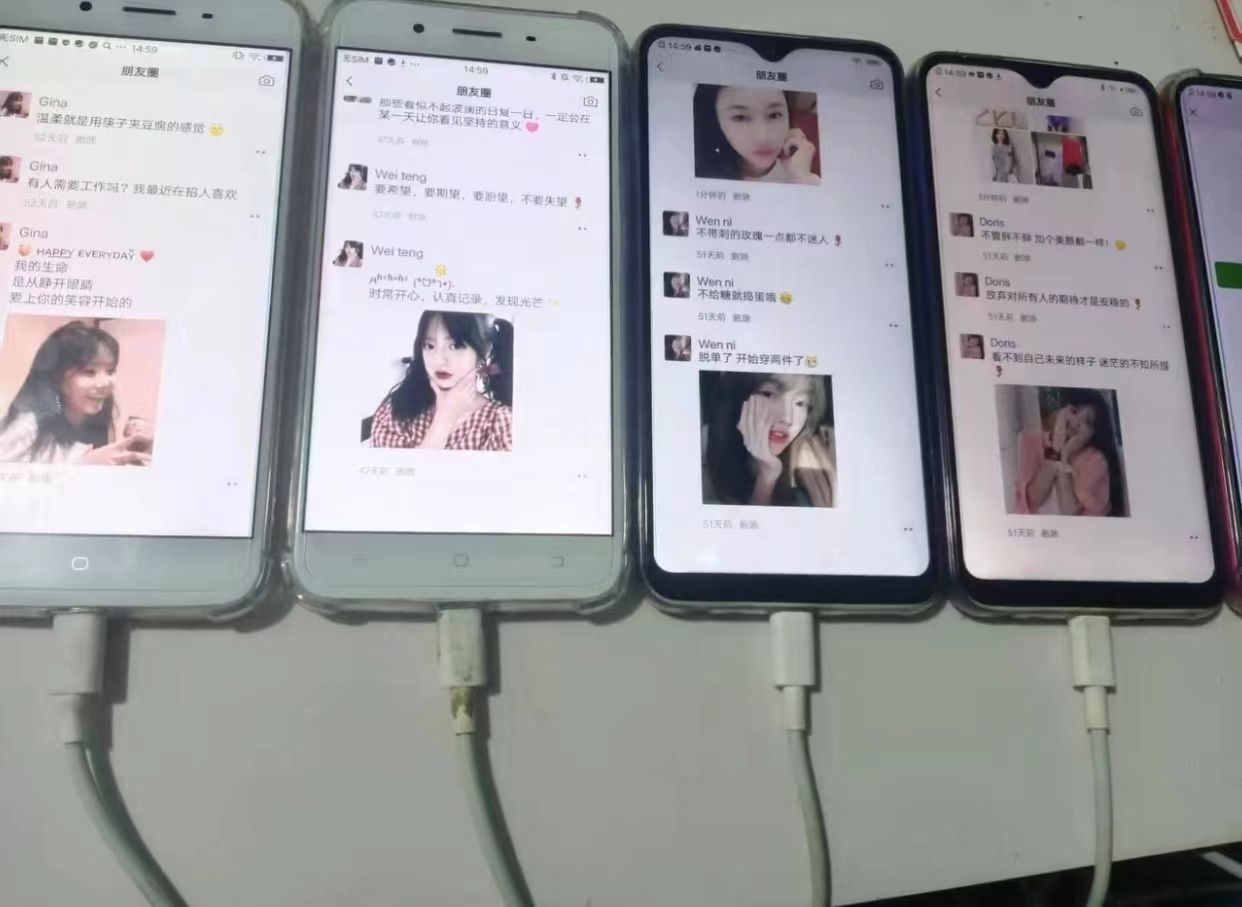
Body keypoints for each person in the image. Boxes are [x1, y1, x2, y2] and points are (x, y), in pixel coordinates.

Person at [0, 321, 152, 465]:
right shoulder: (26, 426)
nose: (106, 382)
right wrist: (83, 465)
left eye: (110, 371)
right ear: (57, 377)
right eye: (89, 372)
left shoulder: (92, 420)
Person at [369, 310, 513, 451]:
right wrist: (444, 420)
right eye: (429, 346)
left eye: (455, 346)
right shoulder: (395, 412)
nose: (438, 360)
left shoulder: (501, 422)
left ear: (483, 352)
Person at [702, 371, 836, 507]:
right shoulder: (702, 451)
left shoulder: (814, 463)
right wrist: (766, 477)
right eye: (768, 394)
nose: (787, 419)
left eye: (800, 403)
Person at [1013, 388, 1123, 517]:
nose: (1077, 422)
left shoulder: (1095, 461)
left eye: (1087, 422)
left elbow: (1069, 513)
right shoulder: (1030, 441)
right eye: (1074, 411)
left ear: (1093, 434)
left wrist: (1065, 455)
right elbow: (1032, 501)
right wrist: (1056, 449)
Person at [694, 85, 820, 185]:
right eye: (740, 117)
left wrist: (801, 178)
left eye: (774, 115)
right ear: (715, 120)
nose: (763, 137)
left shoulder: (800, 173)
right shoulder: (699, 176)